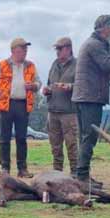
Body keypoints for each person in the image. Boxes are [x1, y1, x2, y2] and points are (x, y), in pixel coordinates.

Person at [72, 15, 110, 186]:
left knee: (85, 137)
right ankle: (82, 176)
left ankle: (81, 174)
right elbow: (108, 65)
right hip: (90, 98)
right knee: (89, 137)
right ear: (104, 27)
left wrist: (107, 77)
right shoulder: (95, 45)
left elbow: (99, 71)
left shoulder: (92, 43)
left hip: (85, 96)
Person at [0, 38, 42, 178]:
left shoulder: (30, 65)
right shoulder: (2, 65)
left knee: (22, 138)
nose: (24, 52)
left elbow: (38, 82)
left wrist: (34, 86)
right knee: (4, 138)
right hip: (6, 104)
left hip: (23, 104)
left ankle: (22, 168)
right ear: (13, 50)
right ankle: (5, 168)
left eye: (26, 49)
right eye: (22, 49)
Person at [43, 37, 78, 174]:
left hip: (69, 112)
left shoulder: (77, 64)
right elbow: (49, 83)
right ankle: (57, 172)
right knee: (55, 145)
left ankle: (75, 172)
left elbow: (83, 85)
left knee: (72, 144)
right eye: (56, 49)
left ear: (68, 48)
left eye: (59, 48)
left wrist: (70, 86)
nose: (57, 52)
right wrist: (46, 91)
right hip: (53, 111)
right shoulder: (54, 64)